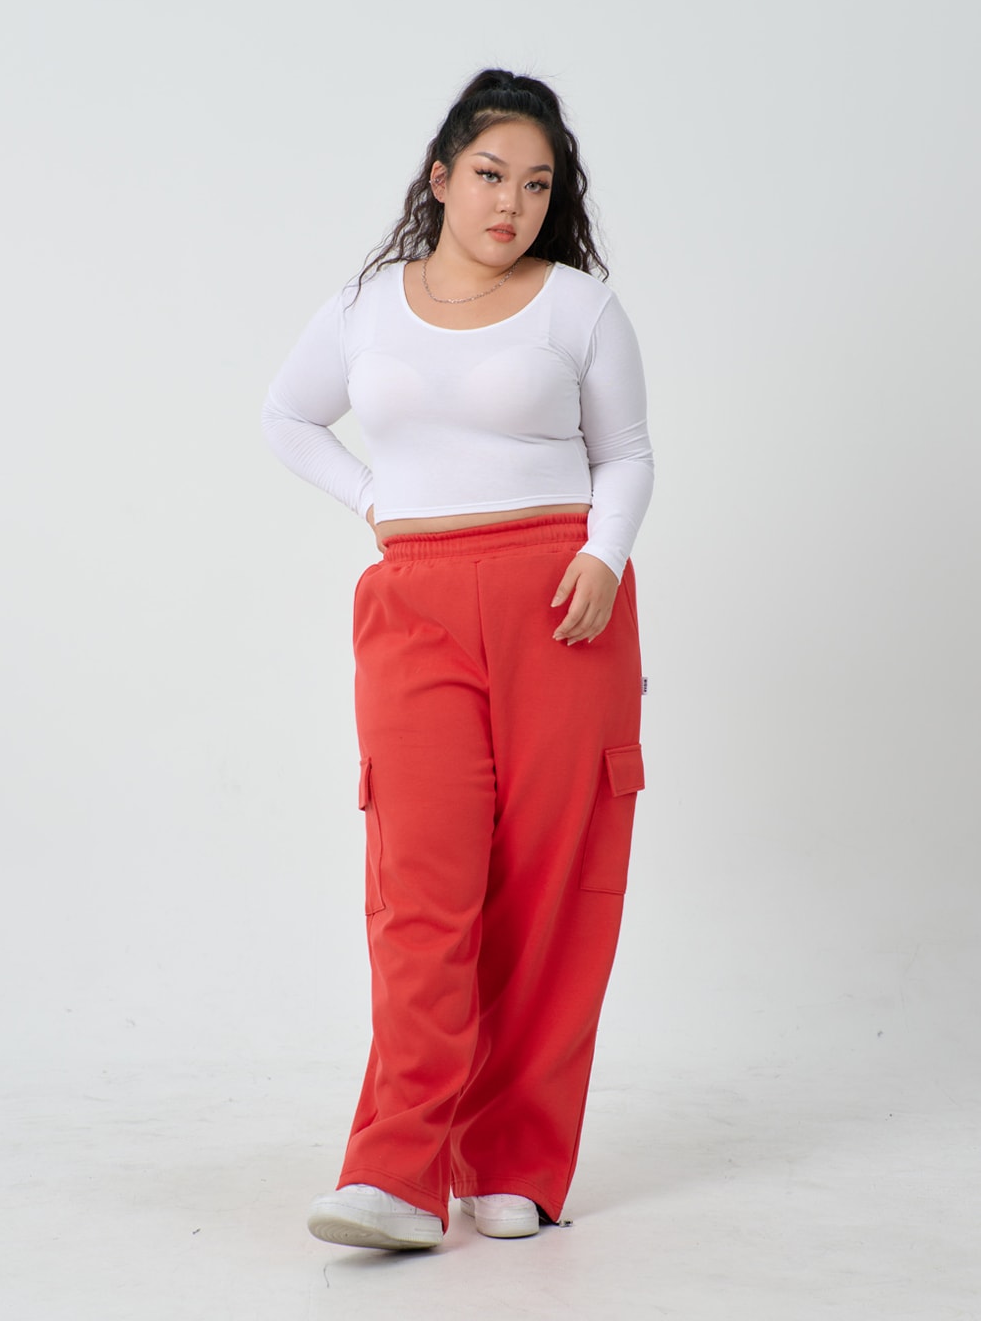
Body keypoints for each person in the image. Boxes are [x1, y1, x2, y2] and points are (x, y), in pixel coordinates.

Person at [262, 68, 654, 1251]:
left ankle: (516, 1161)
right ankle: (395, 1172)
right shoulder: (363, 308)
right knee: (420, 888)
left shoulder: (578, 307)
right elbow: (286, 416)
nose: (510, 203)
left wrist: (604, 553)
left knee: (549, 888)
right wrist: (371, 498)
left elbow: (627, 452)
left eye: (536, 185)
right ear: (440, 177)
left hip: (561, 604)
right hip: (415, 602)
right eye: (490, 175)